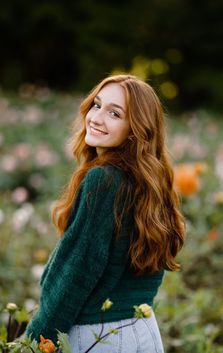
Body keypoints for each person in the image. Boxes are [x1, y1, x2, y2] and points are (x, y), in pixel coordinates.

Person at [26, 74, 185, 352]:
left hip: (99, 336)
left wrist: (36, 339)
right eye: (97, 105)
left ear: (135, 128)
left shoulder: (104, 179)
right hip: (143, 332)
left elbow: (79, 270)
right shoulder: (152, 182)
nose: (96, 118)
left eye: (114, 113)